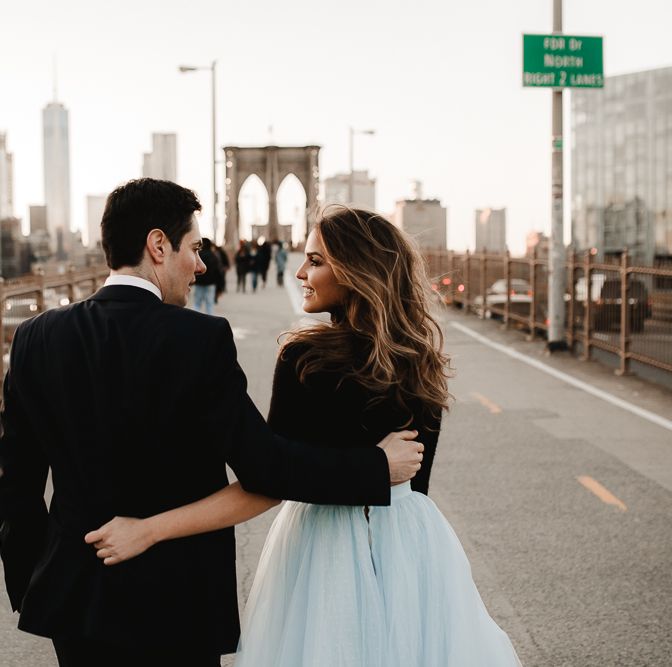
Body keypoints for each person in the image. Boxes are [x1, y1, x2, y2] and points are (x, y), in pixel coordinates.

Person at [0, 182, 424, 667]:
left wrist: (34, 581)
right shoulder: (198, 339)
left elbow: (16, 482)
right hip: (179, 599)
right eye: (195, 248)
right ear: (158, 246)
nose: (201, 265)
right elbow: (265, 466)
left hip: (74, 594)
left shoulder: (35, 339)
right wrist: (374, 468)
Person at [84, 205, 523, 666]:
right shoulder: (418, 357)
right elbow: (414, 482)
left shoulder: (305, 358)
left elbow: (268, 480)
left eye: (315, 261)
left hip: (326, 547)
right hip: (412, 544)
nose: (299, 272)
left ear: (355, 271)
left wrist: (150, 530)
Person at [193, 237, 222, 314]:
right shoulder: (214, 256)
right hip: (210, 283)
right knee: (209, 304)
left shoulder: (198, 256)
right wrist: (220, 287)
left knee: (197, 304)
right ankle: (210, 323)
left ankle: (194, 321)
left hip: (199, 282)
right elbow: (218, 272)